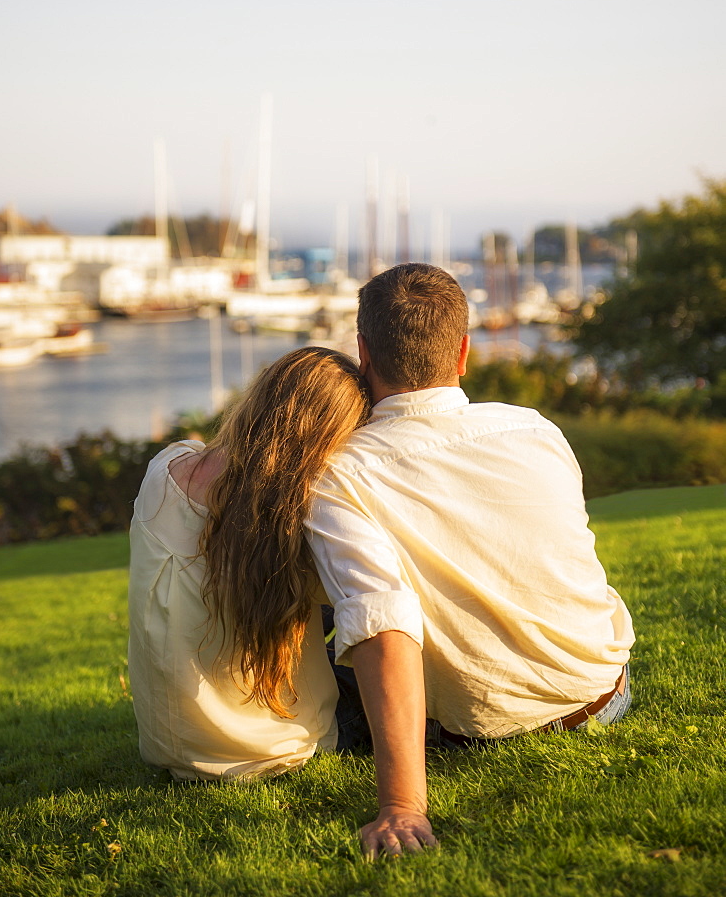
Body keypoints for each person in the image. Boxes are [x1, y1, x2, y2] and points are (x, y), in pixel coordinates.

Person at [304, 263, 635, 858]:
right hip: (601, 692)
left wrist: (401, 806)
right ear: (462, 353)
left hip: (483, 727)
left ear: (362, 353)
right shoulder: (535, 429)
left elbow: (382, 624)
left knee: (330, 640)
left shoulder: (340, 473)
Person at [128, 346, 371, 781]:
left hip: (172, 746)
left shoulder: (164, 469)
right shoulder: (293, 518)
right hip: (285, 749)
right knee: (380, 618)